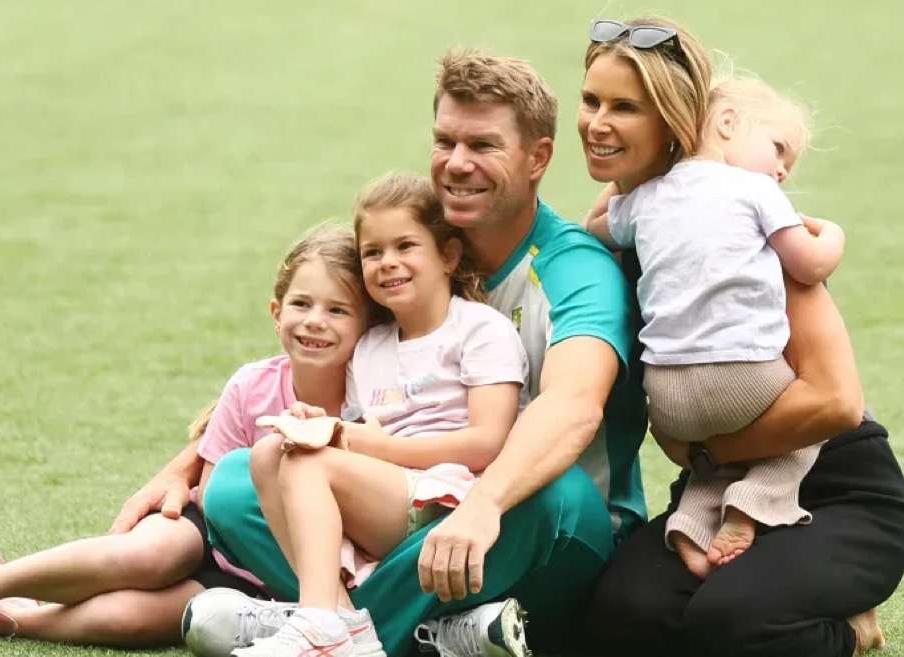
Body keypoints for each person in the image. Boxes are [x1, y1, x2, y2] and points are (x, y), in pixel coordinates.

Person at [187, 49, 647, 657]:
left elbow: (573, 407)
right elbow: (322, 354)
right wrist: (193, 454)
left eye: (482, 145)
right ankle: (425, 634)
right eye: (445, 141)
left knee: (555, 497)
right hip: (409, 508)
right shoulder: (408, 254)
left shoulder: (573, 270)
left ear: (537, 158)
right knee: (236, 481)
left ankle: (307, 622)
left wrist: (483, 505)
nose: (456, 164)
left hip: (535, 526)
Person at [572, 17, 904, 657]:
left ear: (676, 118)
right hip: (718, 480)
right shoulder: (635, 223)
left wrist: (702, 444)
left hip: (832, 482)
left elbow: (836, 404)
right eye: (591, 101)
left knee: (733, 624)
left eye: (626, 107)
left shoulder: (748, 236)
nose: (598, 122)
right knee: (622, 618)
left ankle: (847, 623)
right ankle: (755, 566)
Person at [0, 225, 374, 647]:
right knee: (148, 556)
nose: (315, 322)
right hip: (217, 536)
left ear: (368, 327)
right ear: (275, 311)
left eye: (337, 310)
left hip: (284, 578)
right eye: (302, 304)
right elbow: (219, 498)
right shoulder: (253, 384)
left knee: (134, 622)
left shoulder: (370, 400)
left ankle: (4, 615)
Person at [223, 173, 529, 657]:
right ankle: (343, 629)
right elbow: (362, 430)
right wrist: (315, 423)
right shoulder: (371, 347)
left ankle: (321, 621)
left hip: (450, 498)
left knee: (307, 461)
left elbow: (488, 441)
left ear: (447, 255)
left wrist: (362, 443)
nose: (388, 263)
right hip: (389, 490)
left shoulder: (479, 329)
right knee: (268, 454)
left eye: (405, 246)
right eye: (373, 252)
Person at [586, 74, 850, 576]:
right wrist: (832, 233)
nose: (780, 171)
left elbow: (594, 231)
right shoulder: (753, 190)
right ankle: (752, 503)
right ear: (727, 123)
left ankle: (691, 520)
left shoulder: (646, 199)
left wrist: (628, 184)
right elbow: (811, 266)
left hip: (666, 399)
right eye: (778, 149)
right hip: (743, 378)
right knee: (801, 431)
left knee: (719, 454)